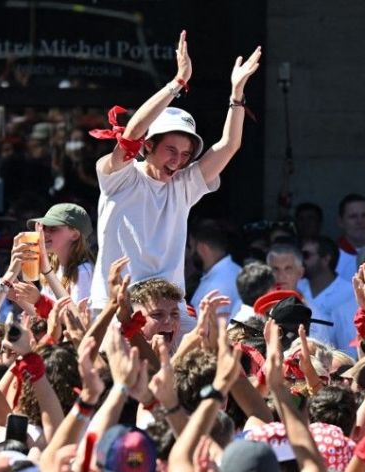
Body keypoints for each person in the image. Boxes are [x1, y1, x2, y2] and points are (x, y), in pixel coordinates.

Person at [89, 31, 261, 312]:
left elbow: (229, 145)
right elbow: (132, 133)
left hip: (170, 309)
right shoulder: (120, 177)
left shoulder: (184, 185)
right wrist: (178, 82)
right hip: (117, 306)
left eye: (185, 155)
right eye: (171, 150)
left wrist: (237, 95)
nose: (178, 161)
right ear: (148, 145)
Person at [29, 203, 95, 303]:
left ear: (75, 235)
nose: (44, 233)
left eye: (53, 228)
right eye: (44, 228)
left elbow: (77, 313)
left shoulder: (83, 272)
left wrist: (39, 300)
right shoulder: (54, 267)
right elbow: (41, 312)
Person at [188, 218, 242, 316]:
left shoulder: (213, 288)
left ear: (202, 248)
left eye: (191, 247)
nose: (190, 255)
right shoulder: (238, 271)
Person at [335, 194, 365, 281]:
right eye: (353, 216)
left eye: (364, 215)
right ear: (340, 222)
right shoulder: (331, 257)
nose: (360, 221)